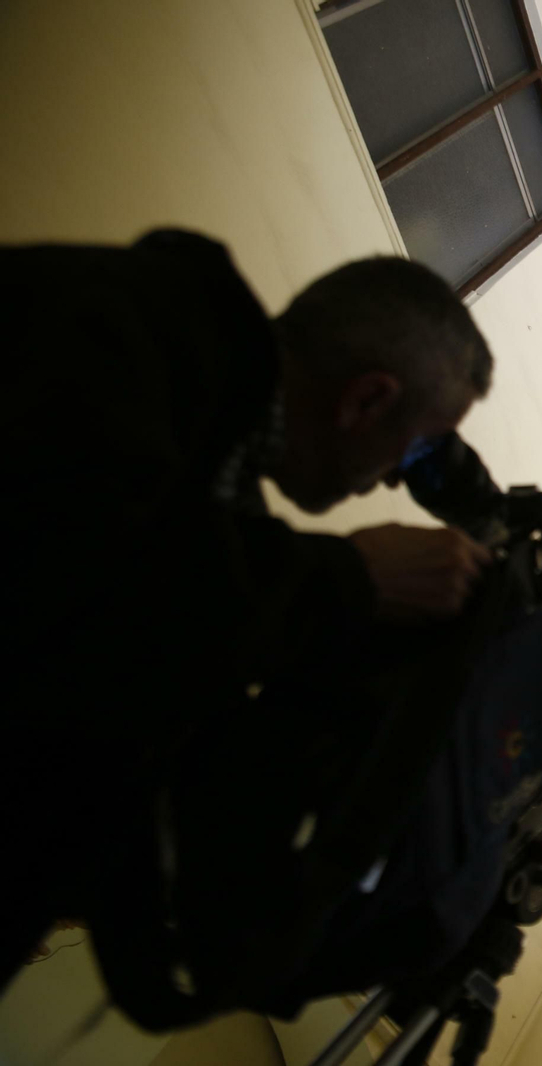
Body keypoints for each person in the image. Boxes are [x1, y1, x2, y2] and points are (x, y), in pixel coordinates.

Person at [2, 230, 495, 983]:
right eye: (417, 451)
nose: (396, 482)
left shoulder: (223, 496)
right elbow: (72, 592)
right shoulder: (125, 325)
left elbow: (133, 782)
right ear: (367, 399)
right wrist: (353, 579)